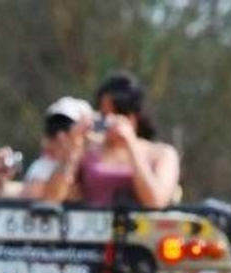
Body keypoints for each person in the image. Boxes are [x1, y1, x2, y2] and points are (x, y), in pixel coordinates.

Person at [38, 71, 179, 208]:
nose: (109, 121)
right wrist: (72, 147)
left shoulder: (162, 153)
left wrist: (130, 145)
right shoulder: (87, 150)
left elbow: (155, 202)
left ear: (133, 117)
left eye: (116, 115)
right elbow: (51, 198)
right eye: (104, 115)